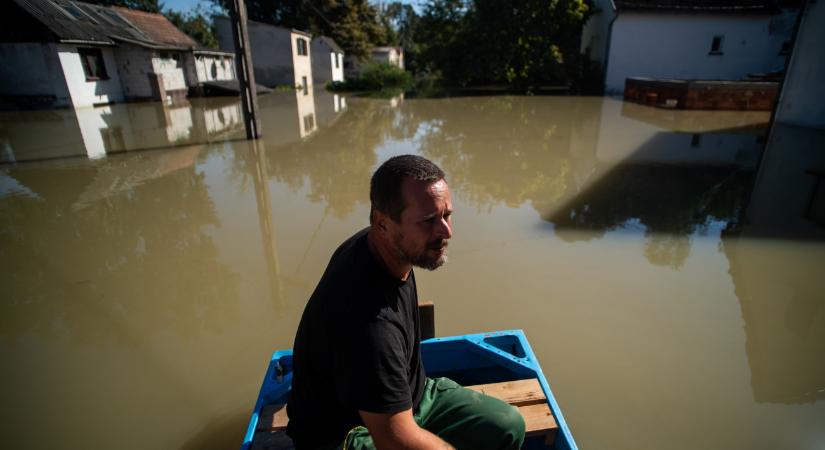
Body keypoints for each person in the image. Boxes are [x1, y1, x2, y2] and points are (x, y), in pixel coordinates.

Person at [286, 155, 525, 450]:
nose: (445, 231)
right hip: (351, 432)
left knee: (507, 425)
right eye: (428, 221)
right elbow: (394, 440)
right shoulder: (370, 324)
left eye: (446, 215)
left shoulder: (386, 247)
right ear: (382, 224)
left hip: (413, 397)